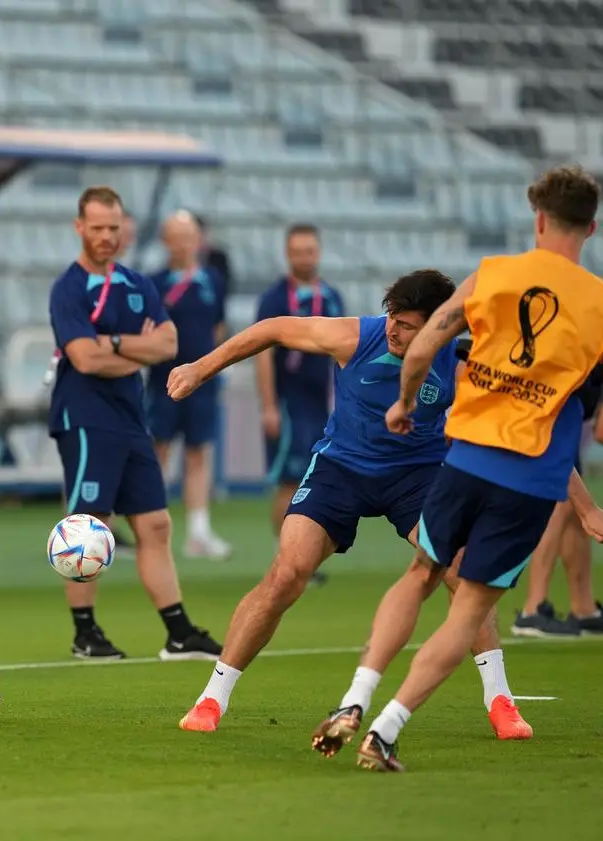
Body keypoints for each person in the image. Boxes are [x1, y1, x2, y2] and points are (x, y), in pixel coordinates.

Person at [170, 269, 529, 741]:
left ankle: (500, 699)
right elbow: (273, 328)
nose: (395, 331)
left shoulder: (461, 360)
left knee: (463, 572)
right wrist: (200, 369)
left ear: (439, 325)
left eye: (409, 326)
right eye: (393, 318)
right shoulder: (356, 337)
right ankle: (212, 698)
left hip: (417, 475)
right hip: (341, 468)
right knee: (287, 573)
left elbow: (512, 419)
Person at [357, 165, 603, 772]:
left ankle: (356, 697)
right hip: (531, 482)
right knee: (468, 610)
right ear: (591, 228)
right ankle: (386, 728)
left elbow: (423, 345)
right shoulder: (598, 306)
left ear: (538, 219)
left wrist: (405, 403)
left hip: (465, 460)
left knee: (420, 572)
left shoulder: (492, 276)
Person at [48, 185, 222, 661]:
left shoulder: (138, 283)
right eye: (97, 227)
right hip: (85, 419)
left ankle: (179, 633)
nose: (107, 236)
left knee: (156, 525)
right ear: (79, 227)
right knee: (87, 527)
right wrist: (135, 349)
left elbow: (169, 345)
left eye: (114, 227)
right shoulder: (68, 288)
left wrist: (112, 344)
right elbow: (84, 359)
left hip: (130, 417)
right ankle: (85, 633)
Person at [256, 224, 344, 586]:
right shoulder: (274, 299)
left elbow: (344, 349)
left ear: (318, 252)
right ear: (287, 254)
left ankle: (301, 561)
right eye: (297, 252)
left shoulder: (332, 297)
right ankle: (286, 562)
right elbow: (262, 354)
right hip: (289, 406)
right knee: (290, 482)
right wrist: (269, 406)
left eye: (309, 251)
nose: (304, 258)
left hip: (321, 406)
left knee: (315, 480)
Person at [146, 209, 231, 559]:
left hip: (203, 383)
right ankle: (150, 525)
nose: (184, 244)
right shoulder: (153, 283)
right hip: (162, 382)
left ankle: (198, 532)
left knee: (199, 453)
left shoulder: (212, 279)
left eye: (190, 237)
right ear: (165, 242)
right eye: (177, 237)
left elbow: (219, 327)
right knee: (158, 452)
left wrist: (207, 366)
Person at [512, 362, 603, 637]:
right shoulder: (584, 347)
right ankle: (533, 609)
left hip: (561, 412)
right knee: (561, 501)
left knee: (575, 509)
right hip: (551, 413)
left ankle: (585, 609)